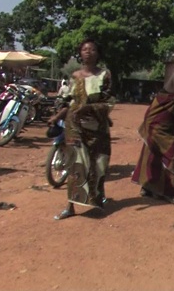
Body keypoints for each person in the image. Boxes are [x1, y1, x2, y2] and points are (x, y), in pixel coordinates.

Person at [49, 39, 115, 220]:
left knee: (99, 164)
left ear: (98, 53)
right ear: (81, 53)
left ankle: (98, 198)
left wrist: (90, 109)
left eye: (92, 49)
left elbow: (109, 101)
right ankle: (70, 206)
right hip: (75, 126)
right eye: (85, 49)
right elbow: (66, 102)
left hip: (97, 126)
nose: (88, 52)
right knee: (75, 165)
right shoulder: (75, 76)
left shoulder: (105, 74)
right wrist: (57, 117)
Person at [132, 55, 174, 205]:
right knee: (171, 154)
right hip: (158, 121)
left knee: (154, 154)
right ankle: (170, 192)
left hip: (164, 121)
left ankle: (148, 187)